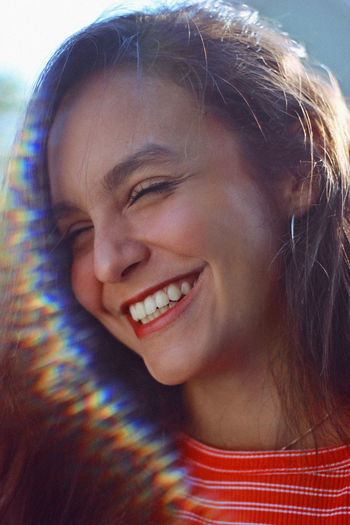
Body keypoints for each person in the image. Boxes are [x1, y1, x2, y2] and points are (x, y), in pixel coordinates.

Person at [1, 1, 350, 523]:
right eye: (75, 231)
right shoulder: (42, 490)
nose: (106, 263)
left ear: (297, 167)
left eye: (147, 190)